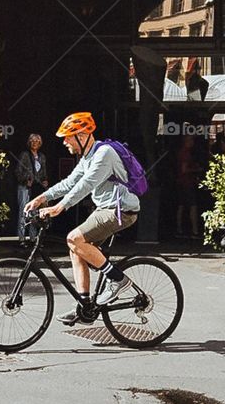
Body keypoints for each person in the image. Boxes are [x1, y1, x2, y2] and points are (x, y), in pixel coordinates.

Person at [26, 112, 139, 326]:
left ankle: (118, 279)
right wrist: (41, 198)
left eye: (68, 136)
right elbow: (70, 182)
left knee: (74, 238)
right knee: (75, 247)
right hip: (105, 208)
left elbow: (85, 185)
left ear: (82, 134)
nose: (64, 141)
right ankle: (85, 305)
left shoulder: (104, 153)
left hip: (120, 210)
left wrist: (60, 207)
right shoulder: (88, 157)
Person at [16, 133, 48, 243]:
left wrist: (44, 180)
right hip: (25, 187)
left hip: (37, 187)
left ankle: (33, 238)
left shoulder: (42, 156)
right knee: (24, 211)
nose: (35, 143)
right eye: (33, 141)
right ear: (29, 143)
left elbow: (43, 172)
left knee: (34, 212)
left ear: (40, 143)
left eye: (37, 141)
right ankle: (21, 238)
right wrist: (25, 180)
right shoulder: (25, 155)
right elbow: (18, 171)